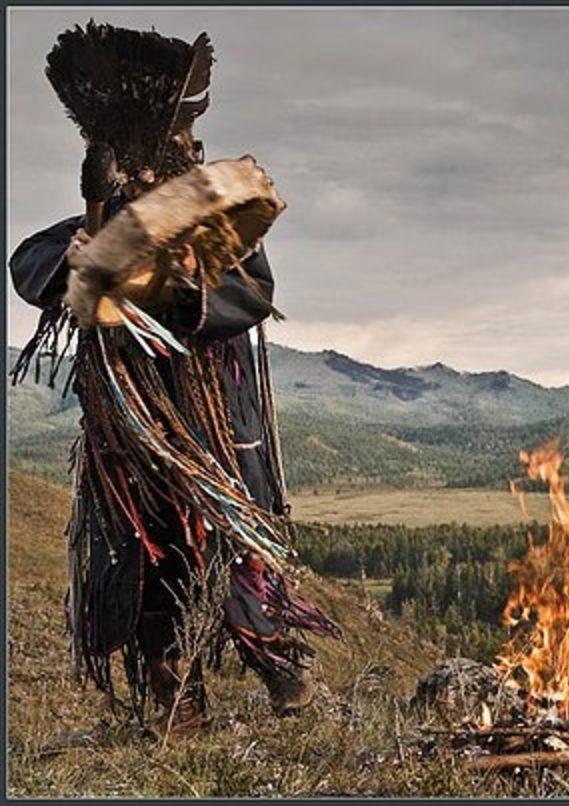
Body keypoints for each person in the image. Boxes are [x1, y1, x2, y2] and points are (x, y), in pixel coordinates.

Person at [9, 21, 339, 738]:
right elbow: (29, 265)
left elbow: (252, 293)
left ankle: (279, 657)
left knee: (231, 538)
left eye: (187, 147)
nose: (188, 152)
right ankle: (173, 697)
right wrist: (82, 258)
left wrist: (187, 285)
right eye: (178, 144)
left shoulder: (209, 221)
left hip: (214, 424)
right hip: (130, 444)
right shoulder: (98, 227)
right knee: (148, 557)